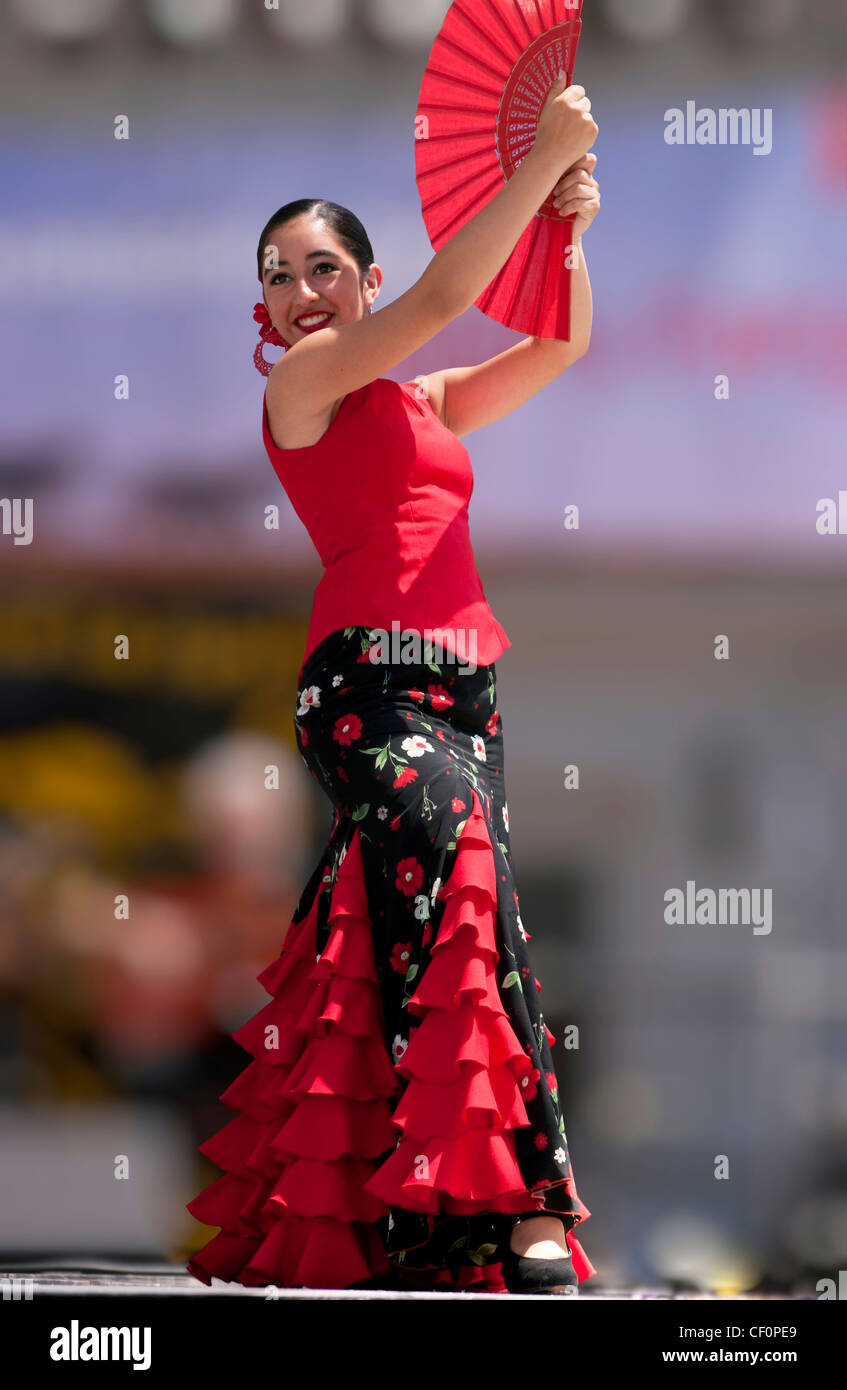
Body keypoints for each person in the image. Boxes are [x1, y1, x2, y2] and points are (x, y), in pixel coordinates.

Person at [186, 76, 601, 1296]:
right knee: (460, 874)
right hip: (365, 690)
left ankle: (388, 1216)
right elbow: (443, 294)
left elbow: (562, 343)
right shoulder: (299, 392)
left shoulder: (420, 401)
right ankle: (524, 1205)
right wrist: (541, 165)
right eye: (277, 273)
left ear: (355, 279)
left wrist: (569, 220)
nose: (299, 291)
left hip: (468, 696)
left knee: (431, 927)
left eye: (321, 268)